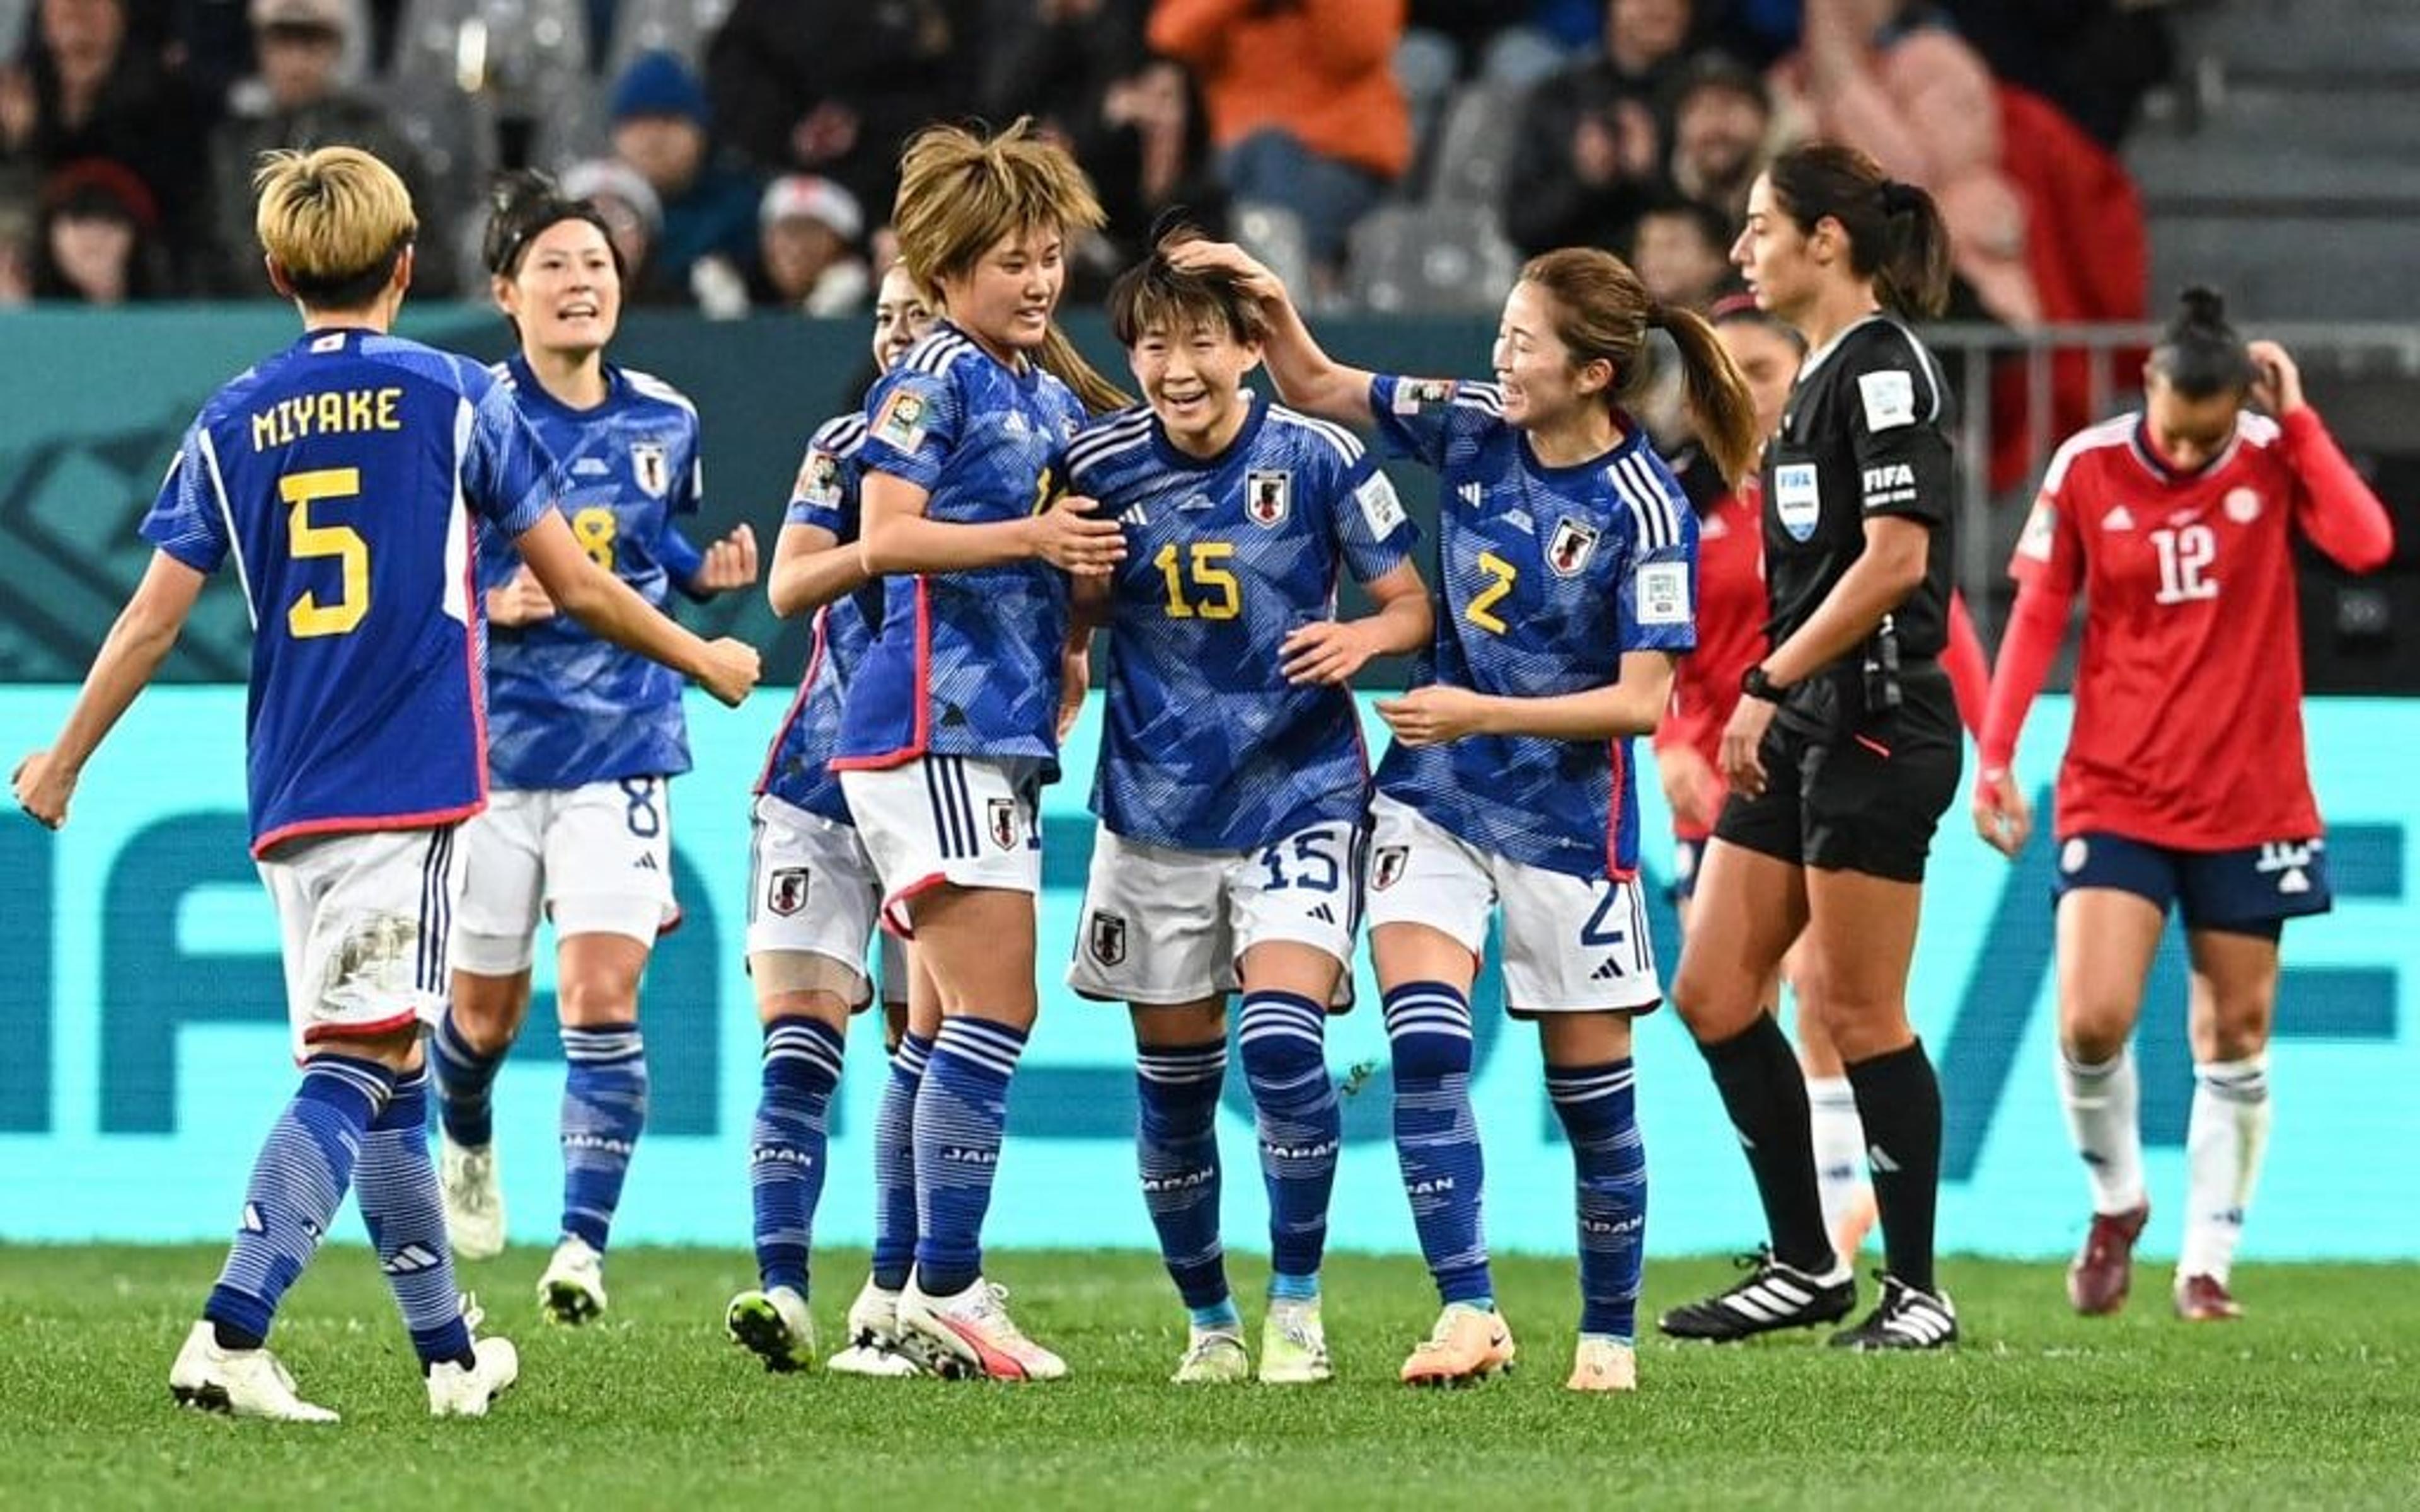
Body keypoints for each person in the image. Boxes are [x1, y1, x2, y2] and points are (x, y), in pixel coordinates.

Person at [9, 146, 758, 1421]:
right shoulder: (459, 395)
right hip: (406, 782)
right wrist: (704, 654)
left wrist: (65, 757)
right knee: (356, 1068)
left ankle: (452, 1359)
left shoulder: (234, 415)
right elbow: (574, 581)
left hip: (289, 786)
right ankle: (233, 1331)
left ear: (277, 271)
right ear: (408, 267)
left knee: (395, 1073)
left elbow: (145, 621)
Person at [1175, 232, 1760, 1392]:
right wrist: (1278, 307)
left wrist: (1479, 714)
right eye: (1502, 331)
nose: (1501, 355)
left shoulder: (1647, 511)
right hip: (1435, 800)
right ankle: (1469, 1310)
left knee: (1594, 1102)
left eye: (1523, 340)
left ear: (1592, 374)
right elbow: (1321, 384)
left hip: (1565, 825)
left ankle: (1606, 1338)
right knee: (1427, 1045)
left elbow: (1643, 706)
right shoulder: (1474, 424)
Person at [1973, 289, 2394, 1322]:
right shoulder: (2089, 467)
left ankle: (2207, 1260)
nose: (2195, 446)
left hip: (2251, 794)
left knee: (2236, 1033)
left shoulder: (2270, 452)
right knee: (2092, 1018)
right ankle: (2116, 1204)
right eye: (2178, 425)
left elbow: (2367, 543)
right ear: (2151, 385)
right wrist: (1996, 755)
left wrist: (2299, 422)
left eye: (2212, 432)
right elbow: (2036, 616)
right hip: (2117, 784)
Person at [1063, 232, 1430, 1385]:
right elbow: (1068, 610)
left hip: (1300, 790)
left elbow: (1413, 604)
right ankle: (1210, 1324)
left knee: (1280, 1042)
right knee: (1172, 1089)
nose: (1177, 367)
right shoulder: (1100, 466)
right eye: (1155, 343)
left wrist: (1364, 637)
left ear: (1250, 350)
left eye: (1201, 341)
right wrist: (1072, 632)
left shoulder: (1321, 459)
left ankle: (1300, 1310)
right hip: (1156, 807)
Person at [428, 172, 760, 1324]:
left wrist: (702, 576)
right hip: (488, 753)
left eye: (600, 267)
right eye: (558, 267)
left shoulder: (668, 417)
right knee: (480, 1022)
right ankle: (464, 1127)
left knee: (603, 995)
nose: (583, 285)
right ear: (505, 293)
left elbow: (654, 548)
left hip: (622, 739)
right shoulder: (469, 413)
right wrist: (487, 595)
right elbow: (422, 563)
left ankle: (582, 1245)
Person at [830, 118, 1131, 1382]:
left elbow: (1064, 544)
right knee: (999, 1009)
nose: (1040, 279)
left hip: (991, 728)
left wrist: (1073, 630)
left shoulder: (1046, 390)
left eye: (1052, 254)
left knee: (940, 1022)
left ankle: (898, 1294)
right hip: (927, 722)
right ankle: (953, 1286)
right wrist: (1032, 547)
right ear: (948, 270)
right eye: (1013, 259)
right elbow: (887, 537)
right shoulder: (930, 380)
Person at [1653, 142, 1962, 1352]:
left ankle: (1917, 1290)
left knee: (1857, 1006)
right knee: (1717, 989)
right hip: (1806, 724)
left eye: (1757, 227)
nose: (1741, 251)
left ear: (1826, 240)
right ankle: (1802, 1263)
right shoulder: (1813, 383)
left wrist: (1768, 681)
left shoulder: (1887, 372)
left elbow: (1897, 562)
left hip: (1876, 723)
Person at [722, 261, 938, 1377]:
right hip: (817, 783)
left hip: (936, 780)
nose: (900, 333)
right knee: (799, 1047)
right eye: (888, 316)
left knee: (932, 1052)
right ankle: (781, 1288)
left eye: (920, 314)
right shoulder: (841, 446)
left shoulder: (1014, 447)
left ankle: (899, 1293)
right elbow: (790, 589)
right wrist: (892, 546)